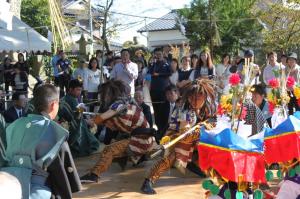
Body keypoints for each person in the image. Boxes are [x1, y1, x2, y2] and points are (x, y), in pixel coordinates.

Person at [0, 84, 81, 199]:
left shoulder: (13, 126)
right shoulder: (55, 133)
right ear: (54, 105)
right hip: (37, 191)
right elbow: (61, 177)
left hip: (8, 185)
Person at [141, 79, 216, 194]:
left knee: (210, 151)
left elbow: (213, 123)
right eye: (192, 97)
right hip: (177, 135)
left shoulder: (209, 107)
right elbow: (184, 130)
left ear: (205, 96)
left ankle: (193, 164)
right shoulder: (184, 109)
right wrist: (195, 129)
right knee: (172, 155)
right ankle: (149, 180)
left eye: (199, 97)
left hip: (199, 138)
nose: (195, 100)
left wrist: (207, 127)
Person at [80, 80, 156, 183]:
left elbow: (105, 116)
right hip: (142, 138)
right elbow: (112, 121)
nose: (101, 97)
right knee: (114, 144)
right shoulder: (127, 102)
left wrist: (92, 121)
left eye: (103, 94)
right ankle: (127, 159)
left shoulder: (119, 105)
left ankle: (94, 175)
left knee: (109, 150)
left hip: (141, 140)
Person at [58, 79, 100, 157]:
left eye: (80, 90)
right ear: (70, 89)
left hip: (66, 124)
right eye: (77, 90)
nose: (79, 92)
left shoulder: (67, 98)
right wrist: (87, 121)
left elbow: (77, 115)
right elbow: (76, 117)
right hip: (70, 126)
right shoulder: (71, 100)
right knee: (94, 144)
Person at [148, 48, 172, 130]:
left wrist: (159, 74)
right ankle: (158, 128)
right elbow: (149, 73)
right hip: (154, 91)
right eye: (156, 54)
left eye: (159, 54)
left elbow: (170, 73)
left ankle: (164, 128)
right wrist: (151, 64)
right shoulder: (153, 64)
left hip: (164, 91)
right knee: (156, 111)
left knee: (164, 110)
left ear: (162, 55)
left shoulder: (166, 64)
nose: (158, 56)